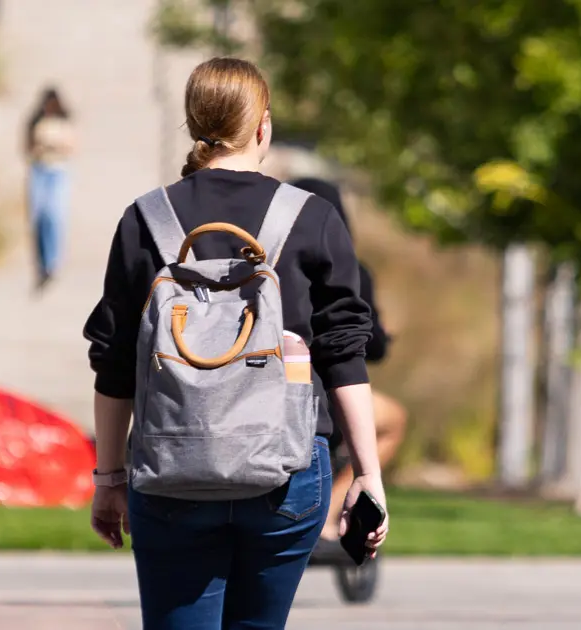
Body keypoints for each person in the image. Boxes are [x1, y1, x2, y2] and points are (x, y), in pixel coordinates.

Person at [82, 57, 389, 630]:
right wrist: (368, 477)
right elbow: (345, 355)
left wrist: (108, 479)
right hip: (287, 474)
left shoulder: (145, 221)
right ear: (263, 127)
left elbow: (114, 362)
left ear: (193, 124)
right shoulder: (313, 218)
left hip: (172, 471)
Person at [288, 177, 407, 550]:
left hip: (275, 388)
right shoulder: (353, 269)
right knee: (394, 421)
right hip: (331, 400)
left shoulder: (268, 261)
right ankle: (331, 511)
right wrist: (384, 335)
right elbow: (366, 345)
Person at [24, 86, 76, 289]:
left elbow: (71, 147)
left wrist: (54, 146)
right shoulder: (37, 122)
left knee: (55, 216)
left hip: (58, 170)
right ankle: (42, 261)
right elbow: (28, 147)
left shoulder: (63, 123)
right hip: (40, 169)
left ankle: (53, 262)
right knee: (39, 216)